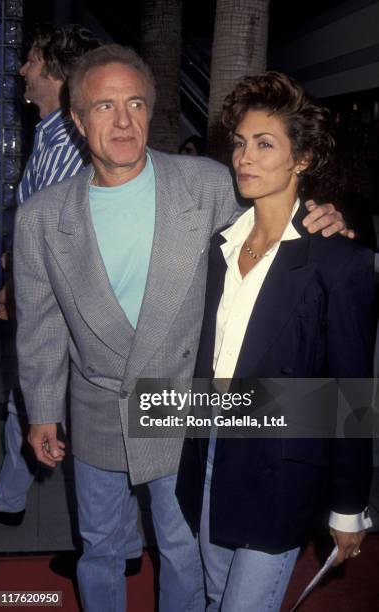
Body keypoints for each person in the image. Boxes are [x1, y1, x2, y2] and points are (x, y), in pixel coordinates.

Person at [13, 45, 351, 612]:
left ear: (149, 111)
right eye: (104, 107)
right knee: (98, 547)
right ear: (76, 119)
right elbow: (42, 324)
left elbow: (270, 232)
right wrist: (42, 408)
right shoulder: (42, 217)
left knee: (181, 547)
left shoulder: (206, 185)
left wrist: (322, 217)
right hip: (95, 403)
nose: (123, 121)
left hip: (177, 403)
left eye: (136, 103)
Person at [176, 72, 374, 611]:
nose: (245, 157)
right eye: (241, 143)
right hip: (212, 447)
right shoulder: (221, 247)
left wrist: (349, 506)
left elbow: (353, 394)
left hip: (282, 469)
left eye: (265, 145)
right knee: (217, 597)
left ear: (302, 159)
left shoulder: (340, 262)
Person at [0, 26, 142, 571]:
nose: (20, 71)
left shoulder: (69, 142)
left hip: (71, 309)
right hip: (66, 305)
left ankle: (116, 546)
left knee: (69, 412)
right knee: (39, 403)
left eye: (30, 60)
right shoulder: (53, 136)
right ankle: (13, 501)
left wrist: (21, 290)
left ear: (54, 68)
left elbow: (55, 237)